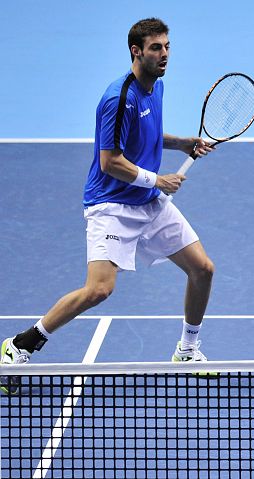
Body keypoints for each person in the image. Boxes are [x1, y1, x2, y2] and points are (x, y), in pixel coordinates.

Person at [1, 18, 217, 395]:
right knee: (99, 290)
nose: (164, 54)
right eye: (155, 48)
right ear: (137, 51)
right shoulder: (118, 98)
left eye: (167, 46)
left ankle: (187, 349)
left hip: (149, 203)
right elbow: (109, 161)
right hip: (112, 205)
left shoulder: (157, 88)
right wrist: (158, 179)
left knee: (203, 269)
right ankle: (20, 345)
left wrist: (181, 142)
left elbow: (146, 133)